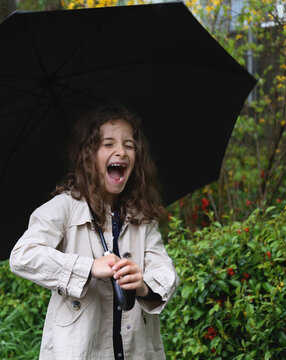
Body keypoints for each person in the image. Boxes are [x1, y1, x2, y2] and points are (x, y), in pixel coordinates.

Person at [9, 104, 179, 360]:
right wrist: (88, 267)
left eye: (129, 145)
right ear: (88, 155)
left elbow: (166, 272)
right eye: (108, 144)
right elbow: (23, 256)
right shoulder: (64, 207)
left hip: (137, 350)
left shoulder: (142, 216)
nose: (120, 151)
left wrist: (143, 285)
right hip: (79, 351)